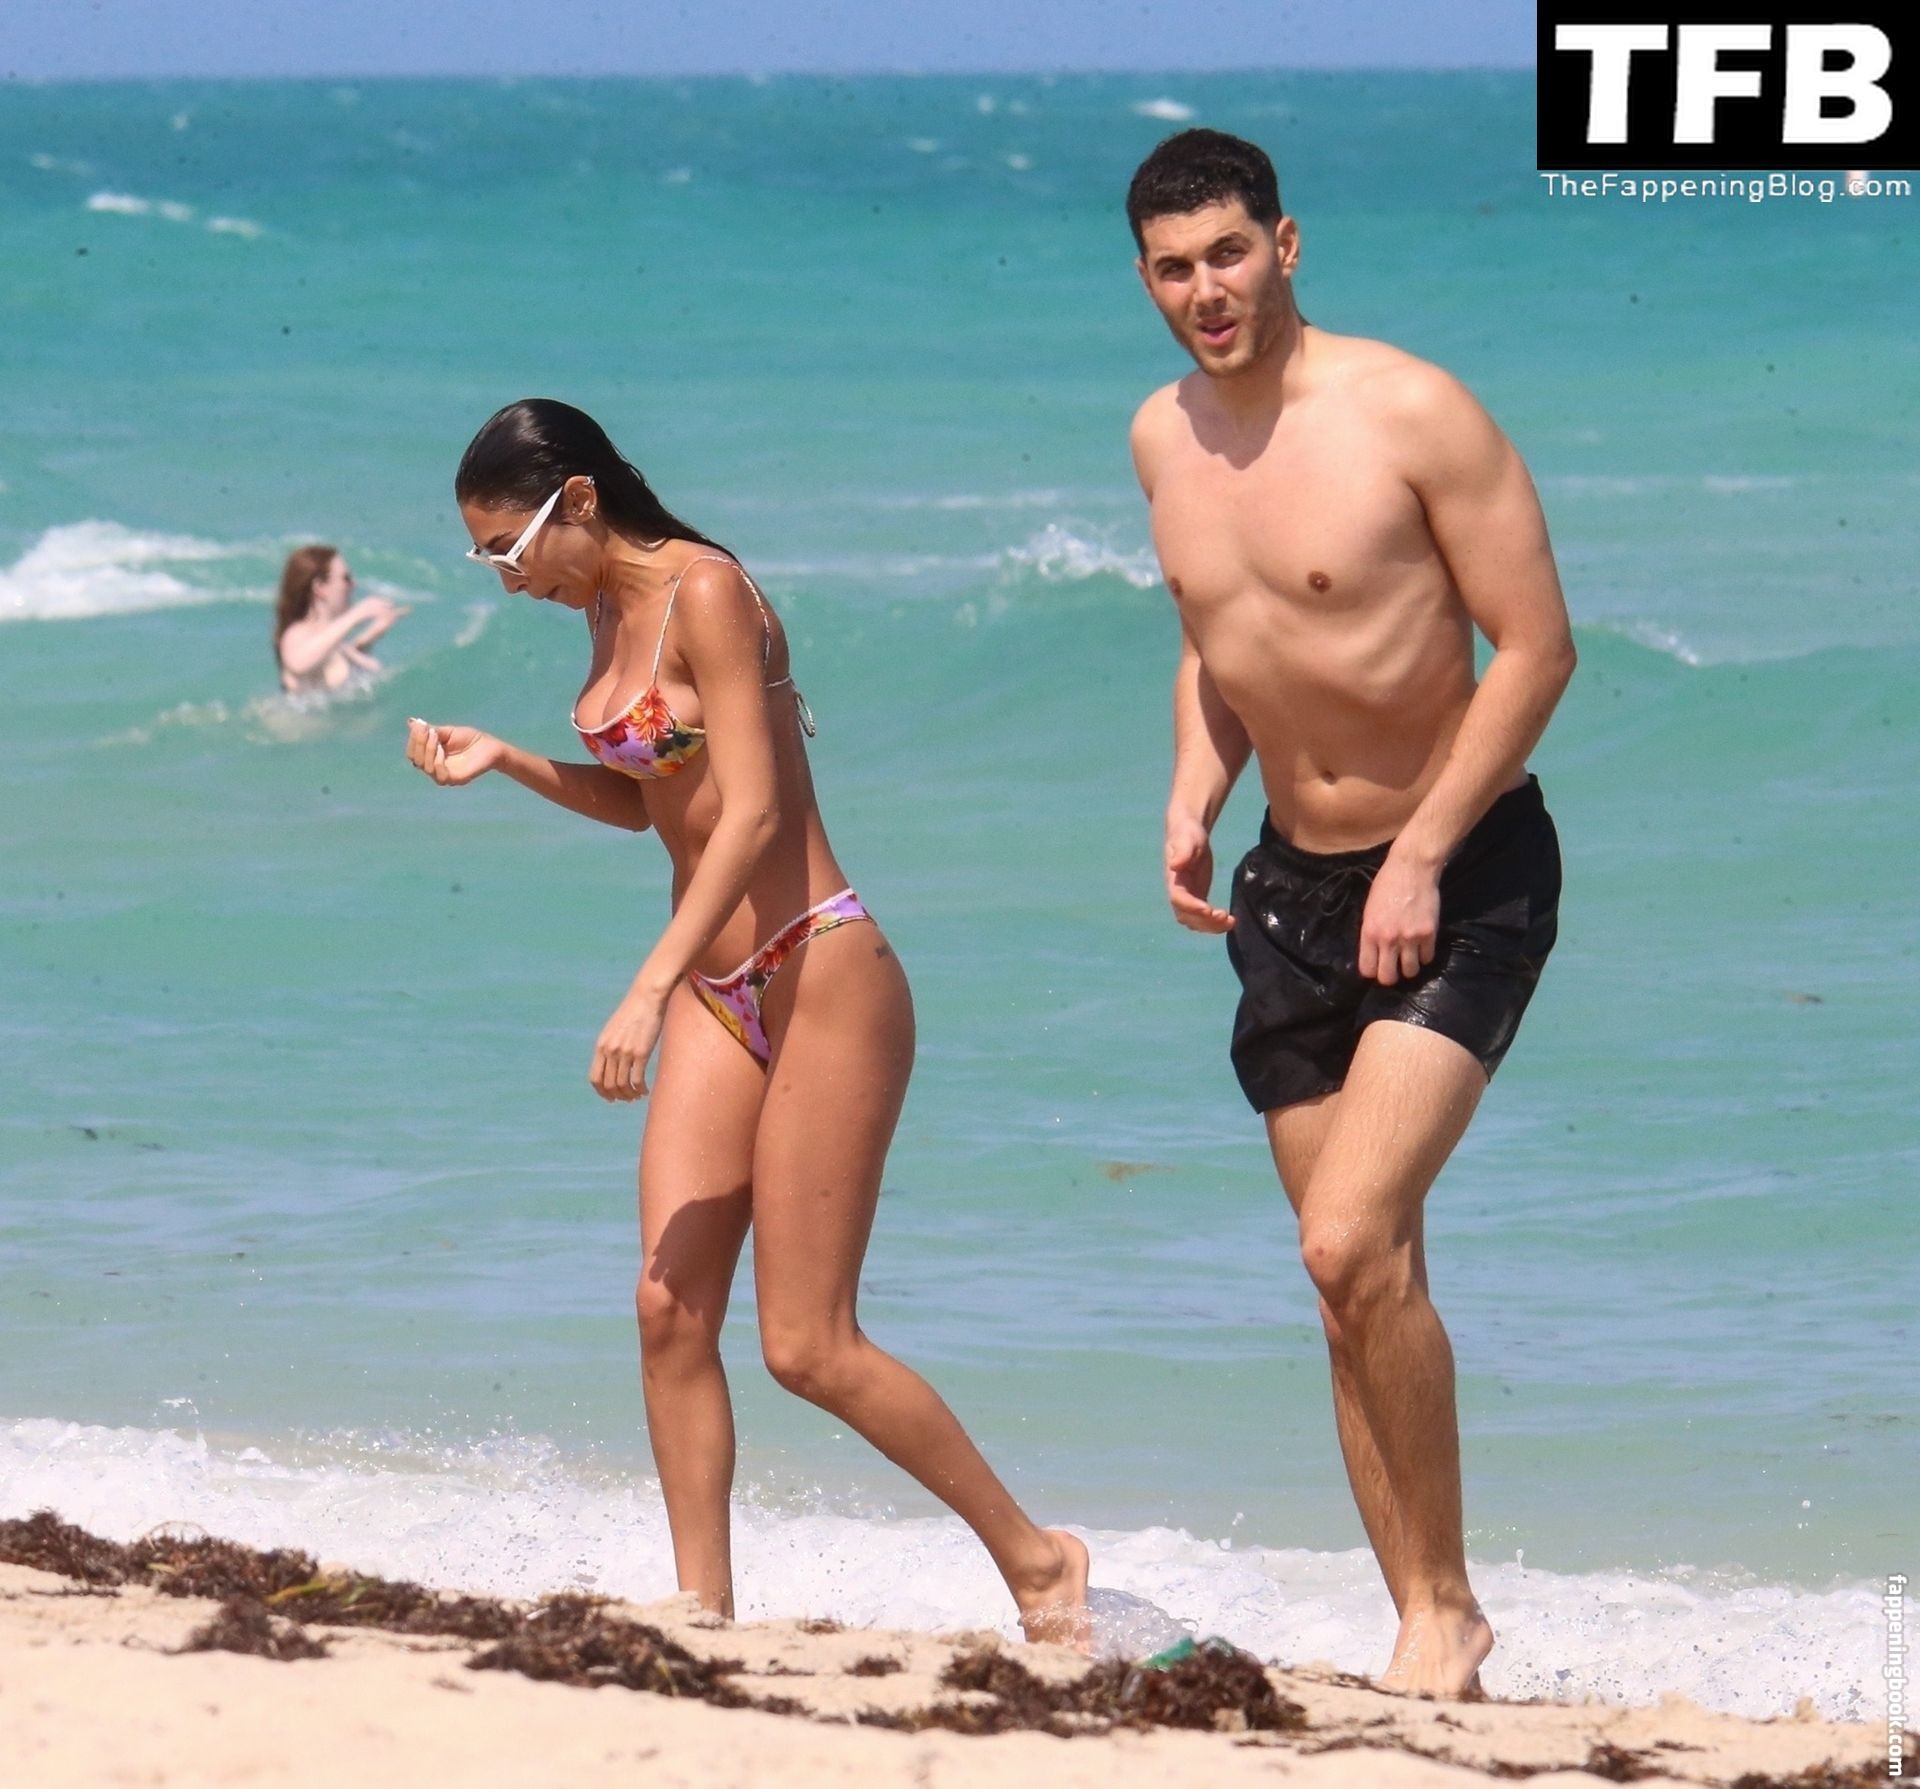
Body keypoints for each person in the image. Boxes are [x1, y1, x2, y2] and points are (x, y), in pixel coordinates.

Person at [404, 398, 1089, 1643]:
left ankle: (1042, 1562)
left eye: (509, 548)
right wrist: (503, 757)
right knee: (667, 1306)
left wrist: (647, 984)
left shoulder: (708, 591)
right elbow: (655, 802)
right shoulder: (604, 610)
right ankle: (703, 1603)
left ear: (580, 501)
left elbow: (760, 811)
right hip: (721, 996)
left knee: (808, 1345)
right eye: (484, 556)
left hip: (819, 968)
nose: (504, 578)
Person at [1124, 130, 1575, 1698]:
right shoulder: (1162, 437)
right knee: (1349, 1287)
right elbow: (1218, 635)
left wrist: (1422, 853)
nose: (1206, 290)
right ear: (1146, 281)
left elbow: (1537, 647)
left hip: (1463, 873)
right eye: (1174, 268)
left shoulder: (1411, 412)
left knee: (1347, 1233)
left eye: (1228, 253)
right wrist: (1192, 792)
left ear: (1287, 244)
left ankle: (1448, 1610)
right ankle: (1423, 1636)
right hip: (1291, 892)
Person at [274, 544, 406, 693]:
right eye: (346, 578)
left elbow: (333, 660)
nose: (354, 584)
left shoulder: (328, 639)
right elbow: (299, 663)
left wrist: (374, 632)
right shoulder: (297, 634)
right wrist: (356, 614)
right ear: (320, 588)